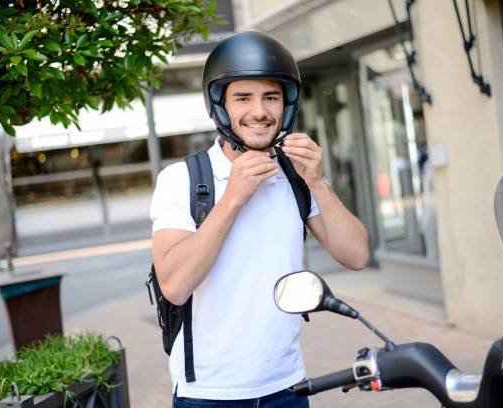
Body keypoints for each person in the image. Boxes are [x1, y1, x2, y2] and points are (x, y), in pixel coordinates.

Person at [150, 31, 369, 408]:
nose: (259, 112)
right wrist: (233, 197)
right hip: (208, 395)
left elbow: (356, 255)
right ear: (220, 105)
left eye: (271, 97)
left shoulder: (298, 176)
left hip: (288, 387)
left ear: (287, 104)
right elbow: (174, 286)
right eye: (243, 98)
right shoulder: (182, 180)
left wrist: (317, 180)